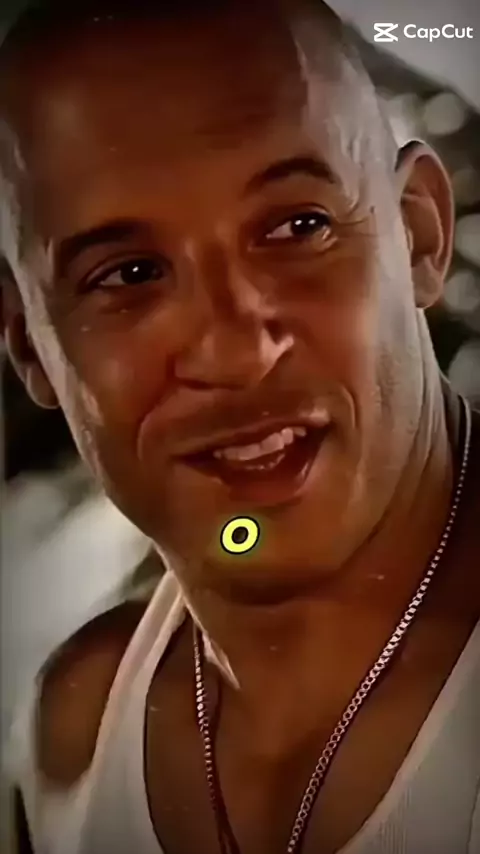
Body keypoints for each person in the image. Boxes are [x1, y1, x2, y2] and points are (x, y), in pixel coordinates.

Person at [0, 1, 479, 852]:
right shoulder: (71, 740)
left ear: (418, 232)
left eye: (299, 227)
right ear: (29, 344)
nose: (235, 351)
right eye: (130, 274)